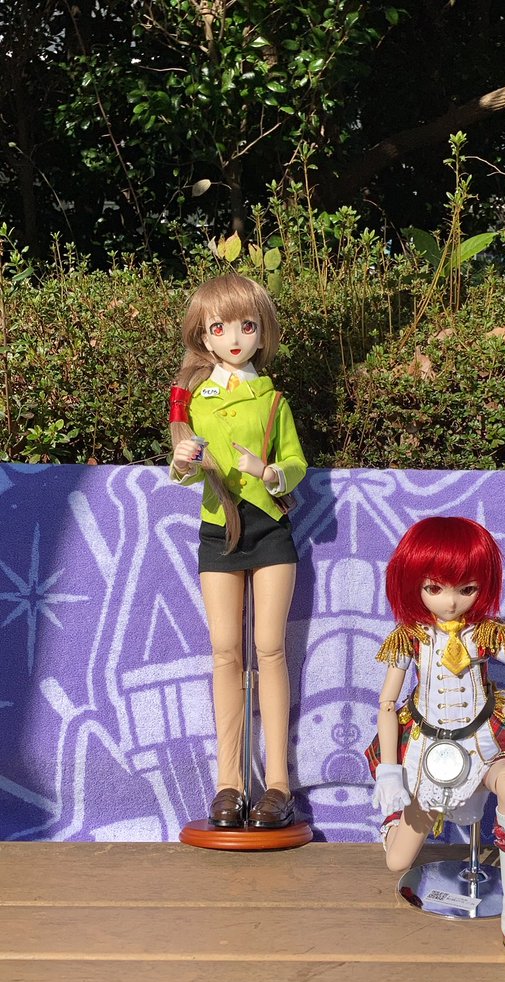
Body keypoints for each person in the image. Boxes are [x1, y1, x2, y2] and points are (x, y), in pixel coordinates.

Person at [366, 516, 505, 971]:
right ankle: (395, 822)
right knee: (397, 862)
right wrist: (391, 772)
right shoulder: (409, 637)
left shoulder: (488, 633)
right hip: (426, 748)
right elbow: (388, 703)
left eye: (466, 589)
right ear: (413, 583)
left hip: (482, 740)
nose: (450, 601)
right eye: (434, 587)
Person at [169, 273, 307, 829]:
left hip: (269, 529)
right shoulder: (196, 399)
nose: (233, 338)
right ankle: (228, 782)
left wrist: (268, 471)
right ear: (203, 335)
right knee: (225, 651)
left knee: (269, 649)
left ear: (261, 332)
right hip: (217, 528)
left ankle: (278, 784)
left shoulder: (273, 399)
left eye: (246, 326)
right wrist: (182, 462)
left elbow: (296, 463)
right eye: (219, 328)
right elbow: (183, 467)